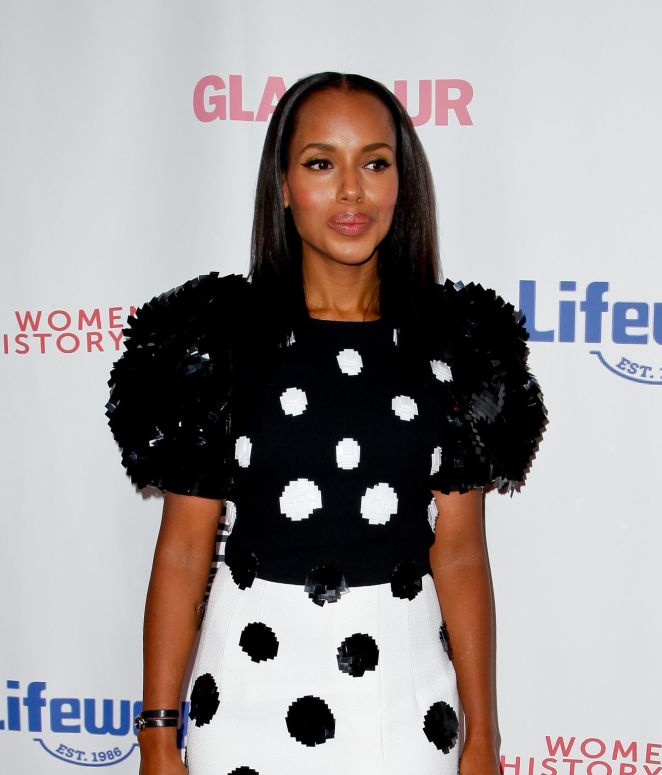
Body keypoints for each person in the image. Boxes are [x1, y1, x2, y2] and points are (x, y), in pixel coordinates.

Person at [106, 71, 547, 775]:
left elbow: (460, 552)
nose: (351, 190)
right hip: (246, 692)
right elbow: (186, 550)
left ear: (402, 184)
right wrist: (159, 736)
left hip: (403, 706)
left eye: (375, 162)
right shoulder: (218, 342)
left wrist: (482, 735)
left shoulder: (453, 348)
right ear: (282, 184)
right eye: (321, 163)